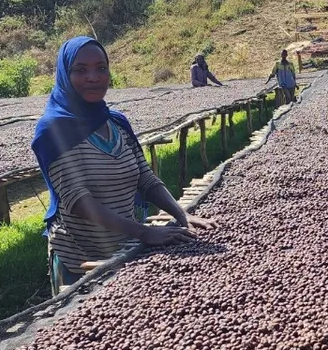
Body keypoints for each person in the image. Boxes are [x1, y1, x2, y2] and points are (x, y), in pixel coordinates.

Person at [33, 36, 214, 293]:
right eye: (81, 70)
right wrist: (144, 232)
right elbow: (77, 201)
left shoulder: (116, 123)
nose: (93, 77)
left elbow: (145, 178)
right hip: (81, 259)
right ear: (64, 75)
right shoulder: (53, 129)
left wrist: (181, 214)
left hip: (126, 245)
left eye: (101, 68)